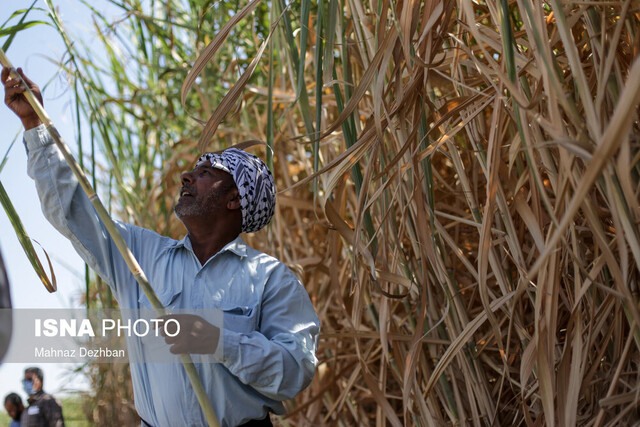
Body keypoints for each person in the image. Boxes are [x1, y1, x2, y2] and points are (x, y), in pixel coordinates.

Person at [2, 67, 320, 427]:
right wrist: (35, 125)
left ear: (235, 199)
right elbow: (72, 210)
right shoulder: (140, 256)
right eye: (193, 169)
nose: (188, 176)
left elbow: (295, 372)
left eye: (206, 173)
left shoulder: (270, 279)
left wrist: (218, 341)